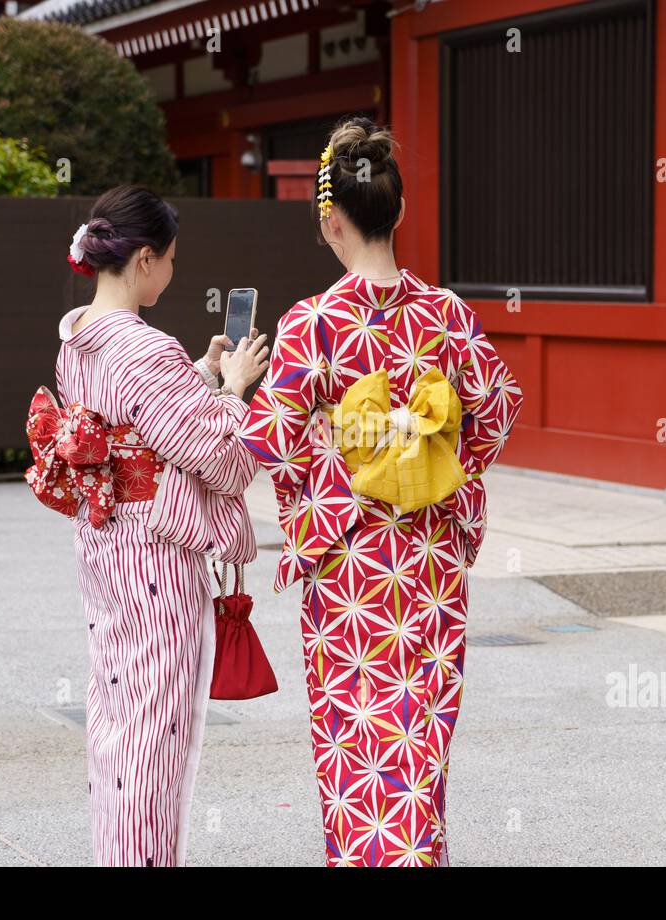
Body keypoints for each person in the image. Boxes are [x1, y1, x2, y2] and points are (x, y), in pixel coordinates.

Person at [239, 118, 524, 866]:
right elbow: (496, 410)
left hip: (348, 563)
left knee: (354, 738)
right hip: (428, 560)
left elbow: (271, 438)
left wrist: (336, 477)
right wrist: (435, 468)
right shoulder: (449, 316)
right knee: (419, 735)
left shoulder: (313, 322)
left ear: (331, 220)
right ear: (397, 213)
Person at [38, 184, 268, 866]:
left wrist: (197, 372)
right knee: (152, 732)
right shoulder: (144, 349)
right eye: (169, 258)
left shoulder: (76, 337)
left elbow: (144, 419)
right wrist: (232, 390)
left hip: (104, 544)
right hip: (155, 560)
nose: (172, 270)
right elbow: (223, 461)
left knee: (116, 713)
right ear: (143, 259)